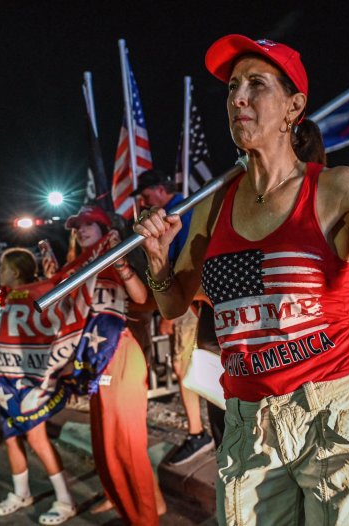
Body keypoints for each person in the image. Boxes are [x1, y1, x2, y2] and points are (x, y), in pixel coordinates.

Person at [133, 35, 349, 525]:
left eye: (256, 84)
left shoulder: (334, 188)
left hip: (336, 414)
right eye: (233, 87)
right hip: (249, 423)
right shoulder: (214, 203)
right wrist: (158, 257)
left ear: (293, 106)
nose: (238, 98)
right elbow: (172, 305)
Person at [44, 205, 164, 525]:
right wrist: (51, 279)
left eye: (89, 225)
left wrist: (119, 261)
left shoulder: (111, 257)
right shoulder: (76, 267)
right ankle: (131, 503)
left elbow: (140, 297)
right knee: (106, 444)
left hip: (120, 355)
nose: (82, 230)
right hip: (94, 363)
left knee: (125, 446)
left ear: (103, 229)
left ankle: (146, 517)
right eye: (77, 226)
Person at [0, 248, 77, 525]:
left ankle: (65, 500)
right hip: (7, 380)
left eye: (2, 268)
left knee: (38, 440)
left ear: (15, 272)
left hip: (28, 382)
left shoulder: (35, 294)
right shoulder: (8, 298)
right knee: (11, 437)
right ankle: (21, 493)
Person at [132, 169, 212, 466]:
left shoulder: (183, 211)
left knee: (184, 365)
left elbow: (186, 262)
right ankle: (203, 428)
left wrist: (172, 311)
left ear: (162, 191)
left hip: (190, 298)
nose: (143, 201)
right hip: (187, 298)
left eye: (146, 194)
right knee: (188, 365)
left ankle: (197, 431)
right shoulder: (186, 208)